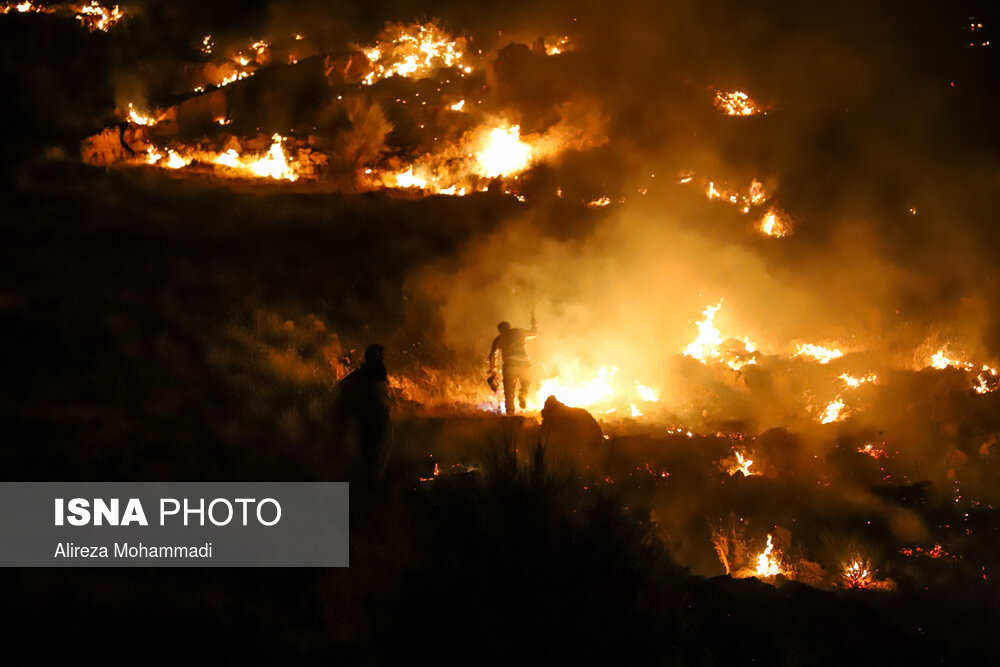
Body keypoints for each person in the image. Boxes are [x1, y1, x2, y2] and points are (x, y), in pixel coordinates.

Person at [333, 344, 391, 483]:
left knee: (374, 450)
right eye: (380, 355)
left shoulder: (366, 372)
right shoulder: (366, 373)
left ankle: (370, 478)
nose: (382, 357)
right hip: (369, 417)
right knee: (372, 450)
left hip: (372, 416)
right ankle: (369, 480)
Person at [488, 317, 537, 414]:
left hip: (509, 365)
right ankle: (522, 395)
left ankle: (510, 412)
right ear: (509, 327)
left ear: (500, 330)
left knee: (509, 390)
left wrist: (493, 370)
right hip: (524, 364)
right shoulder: (518, 332)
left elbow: (493, 355)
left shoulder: (498, 339)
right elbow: (534, 333)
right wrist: (534, 323)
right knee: (526, 382)